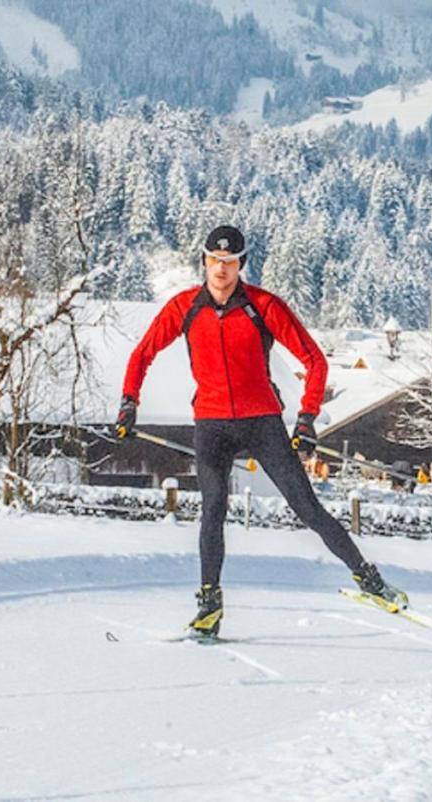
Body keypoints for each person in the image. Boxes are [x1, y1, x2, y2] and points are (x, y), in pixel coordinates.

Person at [116, 224, 407, 637]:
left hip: (262, 422)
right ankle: (209, 604)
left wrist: (306, 418)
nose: (221, 268)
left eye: (230, 262)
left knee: (307, 507)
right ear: (204, 261)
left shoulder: (263, 306)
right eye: (215, 260)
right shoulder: (184, 307)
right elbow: (142, 353)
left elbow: (315, 361)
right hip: (212, 425)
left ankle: (368, 578)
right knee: (212, 511)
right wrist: (130, 402)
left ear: (241, 264)